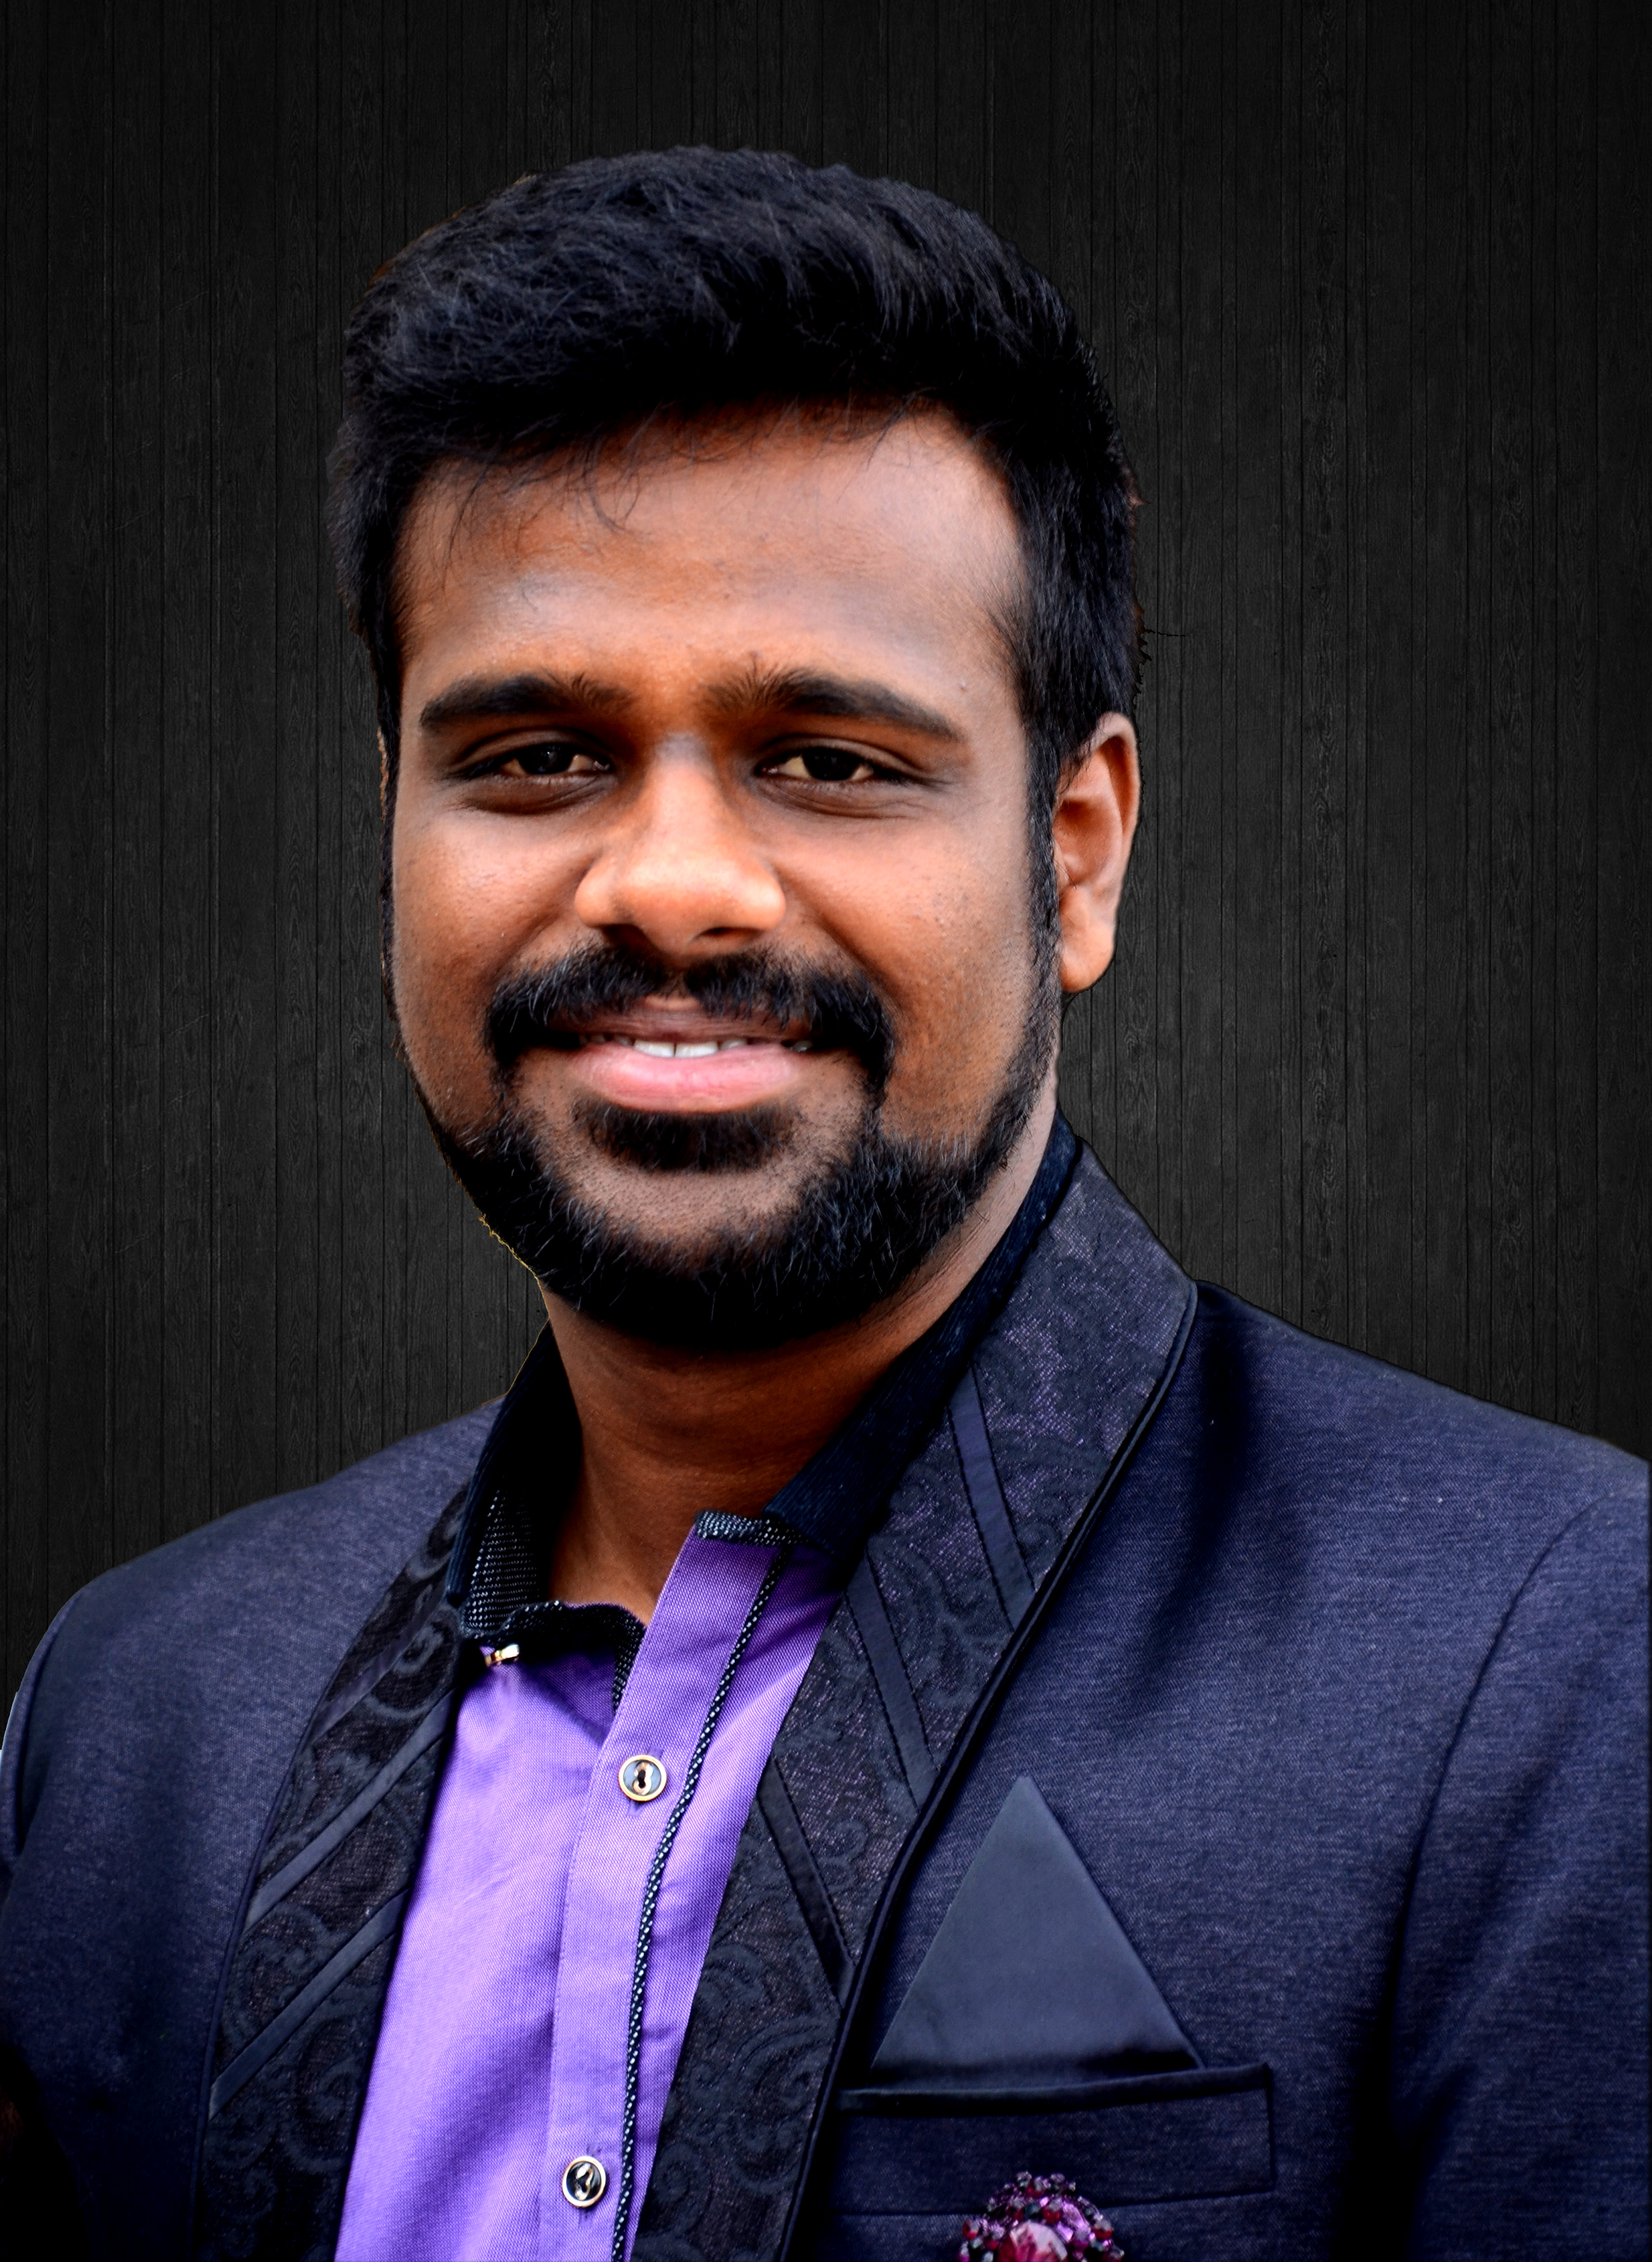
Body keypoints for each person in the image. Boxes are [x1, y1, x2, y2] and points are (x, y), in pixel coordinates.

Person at [0, 148, 1644, 2262]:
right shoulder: (138, 1720)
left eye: (828, 760)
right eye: (535, 757)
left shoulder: (1553, 1668)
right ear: (392, 826)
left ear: (1076, 853)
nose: (673, 884)